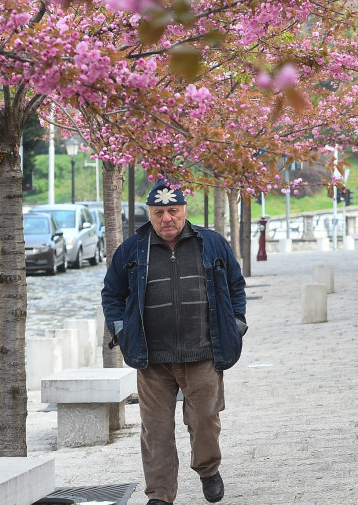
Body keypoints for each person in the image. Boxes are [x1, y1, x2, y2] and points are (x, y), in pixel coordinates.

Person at [101, 179, 248, 505]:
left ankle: (208, 469)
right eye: (159, 212)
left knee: (205, 420)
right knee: (155, 431)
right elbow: (112, 294)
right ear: (150, 214)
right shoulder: (131, 250)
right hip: (152, 359)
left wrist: (236, 326)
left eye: (173, 210)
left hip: (203, 353)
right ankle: (160, 495)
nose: (167, 218)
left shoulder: (211, 244)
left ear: (184, 210)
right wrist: (123, 333)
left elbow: (236, 285)